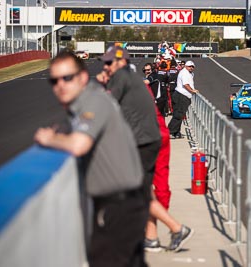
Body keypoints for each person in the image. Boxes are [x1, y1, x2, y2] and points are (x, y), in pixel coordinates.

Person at [34, 50, 148, 267]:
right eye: (54, 80)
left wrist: (50, 139)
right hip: (124, 203)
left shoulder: (94, 100)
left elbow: (79, 145)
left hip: (119, 206)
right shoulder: (87, 100)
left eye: (67, 78)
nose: (60, 85)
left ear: (82, 77)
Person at [99, 46, 162, 204]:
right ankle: (168, 227)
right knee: (142, 189)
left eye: (108, 62)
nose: (105, 67)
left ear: (121, 62)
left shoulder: (122, 75)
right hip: (147, 138)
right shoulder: (129, 75)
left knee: (134, 190)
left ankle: (171, 226)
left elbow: (105, 104)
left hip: (142, 141)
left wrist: (101, 84)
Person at [143, 63, 194, 252]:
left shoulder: (139, 84)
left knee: (139, 191)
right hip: (155, 134)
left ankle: (175, 228)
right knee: (150, 190)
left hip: (148, 138)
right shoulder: (143, 86)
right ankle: (151, 237)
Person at [168, 60, 199, 139]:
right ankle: (170, 131)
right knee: (178, 115)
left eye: (192, 66)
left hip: (183, 95)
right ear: (185, 66)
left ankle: (176, 132)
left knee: (179, 115)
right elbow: (185, 84)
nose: (191, 68)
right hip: (181, 96)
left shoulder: (190, 73)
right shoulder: (184, 73)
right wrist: (192, 91)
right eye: (189, 66)